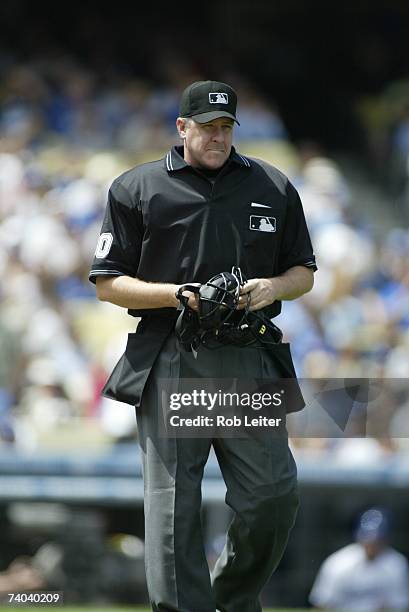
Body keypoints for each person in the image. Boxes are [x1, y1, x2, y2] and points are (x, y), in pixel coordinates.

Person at [89, 80, 317, 612]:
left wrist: (272, 288)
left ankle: (231, 598)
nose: (218, 137)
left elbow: (303, 271)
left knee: (274, 497)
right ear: (182, 127)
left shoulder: (273, 184)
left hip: (249, 356)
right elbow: (106, 283)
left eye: (226, 127)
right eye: (208, 127)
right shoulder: (137, 187)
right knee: (172, 510)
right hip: (171, 353)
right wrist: (178, 295)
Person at [309, 507, 409, 610]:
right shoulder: (338, 562)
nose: (371, 543)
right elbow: (321, 603)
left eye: (377, 539)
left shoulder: (397, 564)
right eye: (367, 538)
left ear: (386, 539)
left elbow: (399, 606)